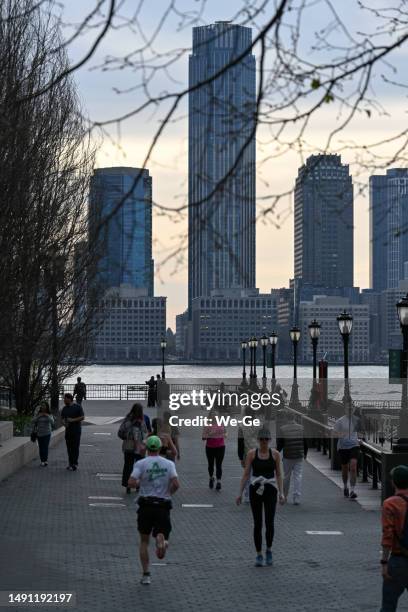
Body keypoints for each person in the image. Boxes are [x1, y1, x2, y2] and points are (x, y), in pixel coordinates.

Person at [128, 435, 180, 586]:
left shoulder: (141, 463)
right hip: (162, 504)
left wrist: (141, 483)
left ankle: (146, 574)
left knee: (144, 541)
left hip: (145, 504)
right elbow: (176, 484)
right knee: (163, 532)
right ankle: (161, 540)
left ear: (147, 448)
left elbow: (130, 482)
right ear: (159, 448)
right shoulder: (168, 464)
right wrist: (168, 492)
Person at [236, 427, 285, 567]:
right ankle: (258, 553)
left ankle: (269, 550)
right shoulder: (252, 454)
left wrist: (281, 493)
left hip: (270, 489)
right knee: (258, 523)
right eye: (261, 439)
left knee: (269, 522)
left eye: (266, 439)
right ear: (258, 440)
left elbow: (279, 474)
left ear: (269, 440)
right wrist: (239, 493)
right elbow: (246, 474)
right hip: (255, 489)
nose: (264, 442)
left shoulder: (275, 455)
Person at [380, 465, 408, 612]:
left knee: (388, 606)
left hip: (398, 560)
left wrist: (384, 562)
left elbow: (388, 535)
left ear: (393, 482)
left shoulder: (390, 503)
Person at [276, 411, 308, 505]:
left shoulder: (283, 429)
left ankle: (284, 496)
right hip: (299, 455)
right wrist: (305, 454)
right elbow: (305, 442)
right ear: (294, 418)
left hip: (288, 456)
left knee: (286, 477)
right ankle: (297, 497)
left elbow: (280, 444)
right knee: (298, 476)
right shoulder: (301, 428)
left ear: (286, 418)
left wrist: (276, 454)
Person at [118, 403, 148, 494]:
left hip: (128, 447)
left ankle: (127, 485)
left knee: (128, 466)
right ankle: (138, 485)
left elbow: (120, 432)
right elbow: (145, 433)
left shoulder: (127, 420)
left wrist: (126, 438)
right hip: (139, 447)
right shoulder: (142, 420)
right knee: (139, 467)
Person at [333, 407, 362, 499]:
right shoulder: (340, 421)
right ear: (345, 410)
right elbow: (334, 433)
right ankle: (345, 486)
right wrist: (342, 435)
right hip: (343, 447)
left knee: (353, 467)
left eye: (351, 409)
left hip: (354, 445)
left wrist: (361, 439)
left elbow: (361, 432)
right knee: (345, 468)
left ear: (353, 410)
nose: (350, 410)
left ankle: (352, 491)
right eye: (348, 409)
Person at [202, 411, 226, 490]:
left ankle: (219, 482)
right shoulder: (207, 425)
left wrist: (224, 434)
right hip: (210, 447)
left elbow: (225, 433)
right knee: (211, 464)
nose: (215, 417)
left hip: (220, 447)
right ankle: (211, 478)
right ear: (210, 417)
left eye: (216, 415)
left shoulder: (221, 423)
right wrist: (210, 434)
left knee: (219, 465)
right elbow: (203, 438)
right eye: (213, 415)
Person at [61, 393, 84, 471]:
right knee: (69, 448)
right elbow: (62, 419)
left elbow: (82, 417)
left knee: (75, 447)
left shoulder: (77, 407)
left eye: (65, 399)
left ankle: (74, 464)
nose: (64, 400)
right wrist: (64, 423)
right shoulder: (64, 408)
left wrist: (72, 420)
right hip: (68, 431)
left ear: (69, 399)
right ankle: (70, 463)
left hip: (76, 431)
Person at [31, 401, 54, 466]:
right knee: (41, 447)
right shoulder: (38, 413)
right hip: (39, 433)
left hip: (47, 433)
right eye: (42, 406)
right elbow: (32, 421)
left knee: (45, 447)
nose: (43, 407)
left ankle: (45, 460)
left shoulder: (49, 414)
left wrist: (47, 416)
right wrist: (39, 416)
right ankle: (42, 461)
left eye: (44, 406)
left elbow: (52, 422)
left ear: (47, 407)